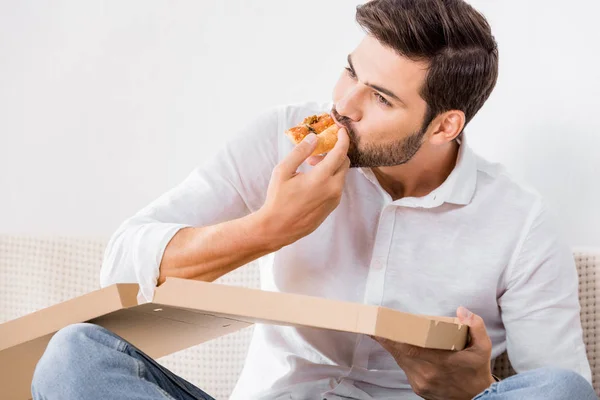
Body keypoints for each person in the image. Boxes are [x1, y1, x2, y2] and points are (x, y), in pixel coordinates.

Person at [31, 0, 596, 399]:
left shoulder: (519, 222)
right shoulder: (283, 140)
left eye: (378, 97)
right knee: (73, 353)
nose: (343, 104)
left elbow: (562, 386)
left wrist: (472, 391)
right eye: (350, 71)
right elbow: (123, 262)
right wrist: (270, 227)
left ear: (445, 126)